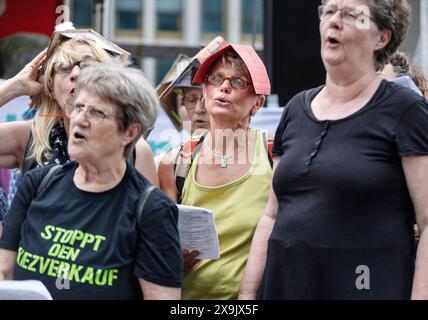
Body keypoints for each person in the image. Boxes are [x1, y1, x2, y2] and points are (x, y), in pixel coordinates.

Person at [240, 0, 428, 300]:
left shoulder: (407, 111)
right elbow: (271, 215)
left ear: (382, 37)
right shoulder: (295, 110)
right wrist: (247, 296)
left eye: (351, 14)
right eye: (327, 11)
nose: (334, 21)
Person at [0, 60, 182, 300]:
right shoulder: (37, 184)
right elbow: (4, 271)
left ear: (130, 132)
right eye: (78, 107)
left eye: (96, 112)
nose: (80, 119)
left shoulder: (151, 209)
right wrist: (12, 88)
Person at [158, 44, 273, 299]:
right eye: (216, 78)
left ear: (258, 103)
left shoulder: (274, 155)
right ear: (204, 91)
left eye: (239, 81)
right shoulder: (175, 162)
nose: (224, 87)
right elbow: (159, 243)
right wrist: (170, 256)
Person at [0, 28, 159, 186]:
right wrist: (14, 87)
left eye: (88, 66)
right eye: (63, 67)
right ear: (51, 87)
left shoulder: (135, 150)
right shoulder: (32, 137)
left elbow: (151, 208)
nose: (75, 74)